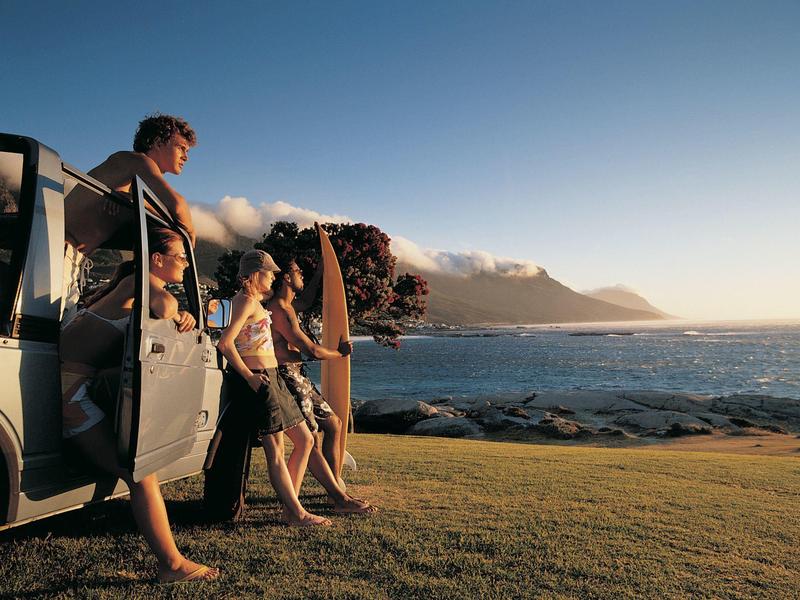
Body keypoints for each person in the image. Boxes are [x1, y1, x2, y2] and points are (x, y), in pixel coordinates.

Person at [60, 227, 218, 584]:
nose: (185, 265)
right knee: (140, 474)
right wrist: (181, 312)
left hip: (72, 389)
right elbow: (165, 306)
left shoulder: (129, 285)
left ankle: (172, 563)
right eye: (181, 257)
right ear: (156, 259)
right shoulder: (138, 282)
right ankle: (172, 565)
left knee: (138, 470)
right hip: (71, 398)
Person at [215, 250, 331, 527]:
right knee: (276, 449)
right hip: (260, 380)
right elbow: (225, 343)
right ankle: (296, 513)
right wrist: (249, 377)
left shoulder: (253, 301)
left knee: (306, 440)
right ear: (256, 274)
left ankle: (292, 508)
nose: (273, 277)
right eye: (269, 272)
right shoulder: (245, 301)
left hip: (272, 377)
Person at [62, 113, 197, 325]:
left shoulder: (132, 186)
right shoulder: (135, 160)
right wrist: (189, 239)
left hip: (69, 260)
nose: (186, 157)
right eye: (181, 147)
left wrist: (134, 202)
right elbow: (178, 206)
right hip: (57, 253)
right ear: (158, 142)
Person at [267, 257, 376, 514]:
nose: (301, 275)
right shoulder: (279, 310)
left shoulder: (290, 305)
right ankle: (339, 498)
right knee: (311, 439)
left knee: (334, 424)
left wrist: (320, 273)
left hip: (298, 375)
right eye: (298, 271)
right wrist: (339, 353)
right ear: (286, 277)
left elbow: (306, 300)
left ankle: (334, 488)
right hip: (287, 377)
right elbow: (312, 350)